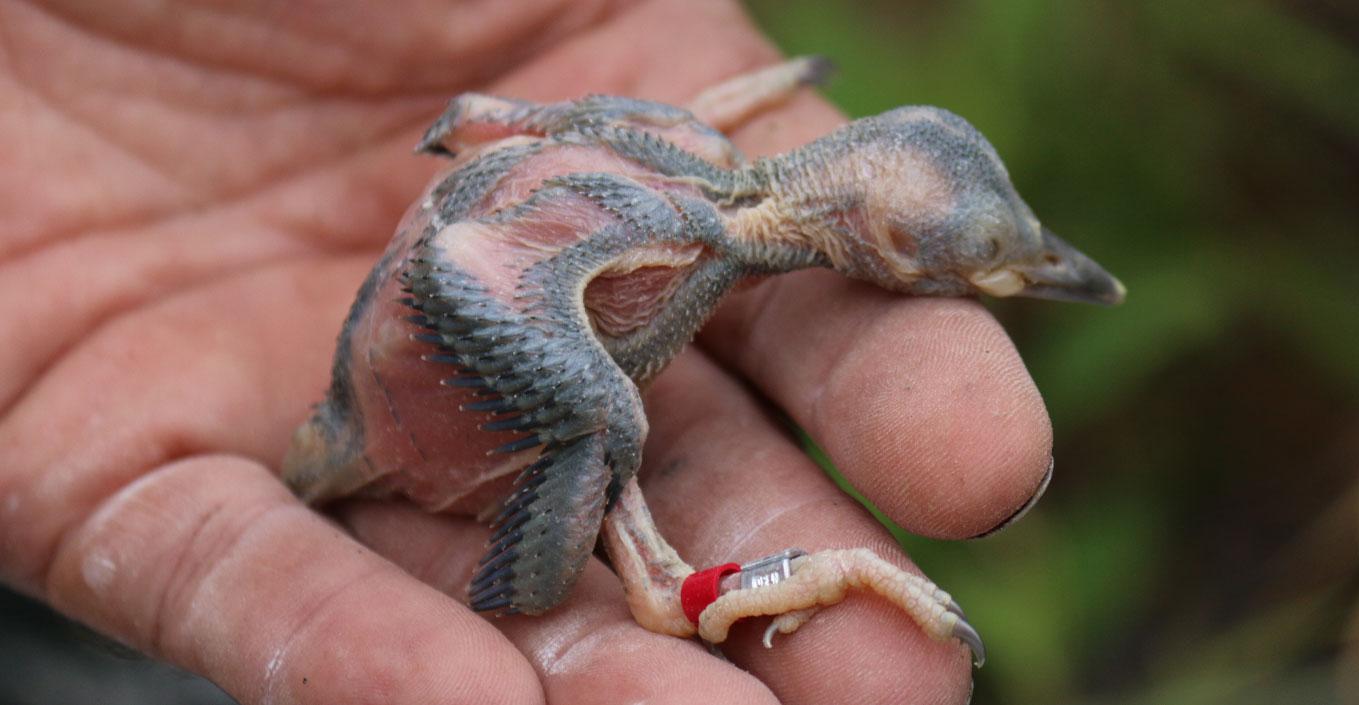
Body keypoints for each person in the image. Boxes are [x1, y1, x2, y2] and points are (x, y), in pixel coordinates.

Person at [0, 1, 1054, 703]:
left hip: (456, 314)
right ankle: (735, 579)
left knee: (602, 402)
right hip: (403, 410)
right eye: (980, 260)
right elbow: (466, 266)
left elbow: (530, 138)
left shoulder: (695, 162)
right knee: (609, 421)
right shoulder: (685, 228)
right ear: (891, 247)